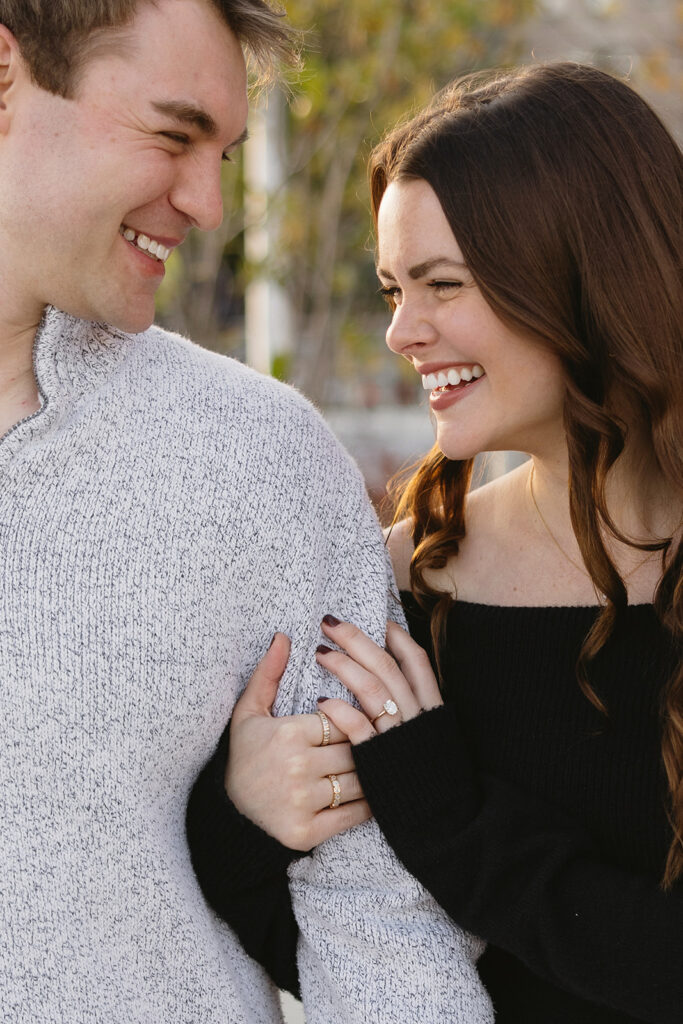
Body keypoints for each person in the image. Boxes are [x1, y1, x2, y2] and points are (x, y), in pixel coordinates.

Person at [0, 2, 495, 1021]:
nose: (209, 203)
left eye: (221, 153)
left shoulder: (256, 454)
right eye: (173, 134)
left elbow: (379, 914)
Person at [187, 62, 683, 1023]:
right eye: (389, 291)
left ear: (585, 274)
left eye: (440, 285)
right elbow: (337, 950)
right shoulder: (397, 593)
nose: (402, 333)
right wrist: (242, 816)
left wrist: (456, 828)